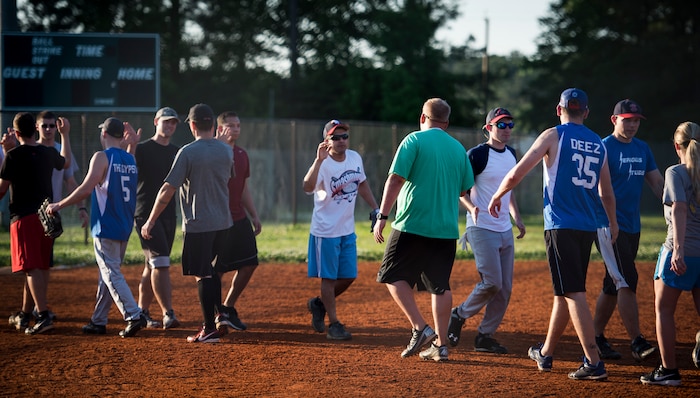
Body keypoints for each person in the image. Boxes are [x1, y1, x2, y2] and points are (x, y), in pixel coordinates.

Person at [488, 88, 617, 380]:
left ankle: (593, 361)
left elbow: (517, 173)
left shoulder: (553, 135)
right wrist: (613, 222)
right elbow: (606, 192)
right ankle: (545, 352)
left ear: (559, 110)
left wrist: (498, 195)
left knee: (573, 292)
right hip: (587, 225)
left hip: (561, 224)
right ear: (586, 112)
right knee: (565, 290)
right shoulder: (599, 142)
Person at [374, 98, 474, 362]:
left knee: (391, 274)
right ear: (447, 122)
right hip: (445, 228)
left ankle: (420, 327)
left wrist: (382, 215)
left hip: (412, 223)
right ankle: (441, 346)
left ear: (423, 118)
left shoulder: (413, 141)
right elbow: (464, 190)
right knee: (439, 286)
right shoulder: (458, 149)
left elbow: (395, 179)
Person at [141, 103, 233, 343]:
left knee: (203, 274)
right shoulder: (226, 151)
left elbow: (167, 190)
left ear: (192, 125)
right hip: (223, 222)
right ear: (213, 125)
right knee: (210, 271)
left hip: (198, 223)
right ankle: (220, 314)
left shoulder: (187, 152)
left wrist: (150, 220)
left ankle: (209, 327)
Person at [46, 117, 147, 338]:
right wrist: (133, 144)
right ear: (121, 136)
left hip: (106, 224)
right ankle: (98, 320)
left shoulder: (102, 157)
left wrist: (59, 204)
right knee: (107, 274)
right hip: (123, 224)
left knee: (111, 273)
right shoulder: (130, 158)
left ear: (103, 134)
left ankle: (133, 314)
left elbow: (86, 189)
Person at [447, 107, 526, 354]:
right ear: (488, 128)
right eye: (501, 125)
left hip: (504, 228)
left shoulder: (512, 154)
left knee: (504, 288)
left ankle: (485, 336)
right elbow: (460, 189)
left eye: (510, 125)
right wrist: (472, 208)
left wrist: (517, 218)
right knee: (492, 282)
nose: (507, 129)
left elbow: (508, 190)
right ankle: (459, 314)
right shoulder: (477, 155)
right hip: (481, 227)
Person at [592, 99, 663, 361]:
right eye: (627, 119)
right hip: (607, 224)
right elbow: (598, 189)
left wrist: (677, 205)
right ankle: (637, 341)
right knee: (627, 279)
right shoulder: (603, 147)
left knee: (613, 283)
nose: (633, 125)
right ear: (615, 120)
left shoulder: (642, 149)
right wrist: (611, 222)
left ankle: (595, 337)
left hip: (633, 226)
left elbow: (657, 184)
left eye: (636, 120)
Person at [303, 119, 380, 340]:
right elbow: (307, 187)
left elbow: (361, 183)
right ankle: (334, 324)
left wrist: (376, 208)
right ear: (326, 141)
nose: (341, 141)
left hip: (347, 229)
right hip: (325, 231)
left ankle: (318, 304)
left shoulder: (355, 157)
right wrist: (318, 161)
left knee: (348, 276)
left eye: (344, 136)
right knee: (328, 278)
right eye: (335, 137)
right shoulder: (323, 164)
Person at [639, 121, 700, 386]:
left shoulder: (676, 172)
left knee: (664, 310)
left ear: (677, 146)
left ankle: (669, 371)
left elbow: (679, 210)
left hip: (680, 249)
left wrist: (678, 251)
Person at [1, 112, 71, 335]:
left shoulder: (13, 156)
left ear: (18, 133)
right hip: (46, 217)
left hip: (24, 218)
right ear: (35, 130)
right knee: (38, 267)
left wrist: (7, 152)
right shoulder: (48, 152)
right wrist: (65, 135)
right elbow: (65, 162)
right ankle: (26, 313)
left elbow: (2, 189)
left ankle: (42, 315)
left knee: (30, 267)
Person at [35, 111, 89, 322]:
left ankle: (40, 306)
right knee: (32, 265)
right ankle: (33, 308)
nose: (48, 129)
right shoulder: (31, 150)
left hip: (50, 214)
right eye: (44, 126)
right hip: (31, 213)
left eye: (51, 126)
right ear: (37, 127)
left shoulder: (60, 150)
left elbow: (71, 182)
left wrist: (82, 209)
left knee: (45, 264)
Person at [131, 107, 182, 330]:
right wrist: (131, 145)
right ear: (156, 122)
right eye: (165, 122)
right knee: (160, 262)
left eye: (173, 123)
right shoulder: (142, 149)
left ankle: (142, 311)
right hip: (145, 213)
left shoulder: (177, 151)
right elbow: (130, 170)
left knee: (151, 266)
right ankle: (167, 313)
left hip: (169, 214)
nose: (169, 126)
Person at [212, 111, 262, 333]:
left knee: (250, 262)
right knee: (217, 269)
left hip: (239, 217)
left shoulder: (241, 154)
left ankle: (227, 307)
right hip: (216, 220)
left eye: (238, 125)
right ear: (219, 128)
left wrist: (254, 214)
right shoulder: (211, 151)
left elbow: (243, 188)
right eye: (230, 125)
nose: (235, 129)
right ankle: (214, 313)